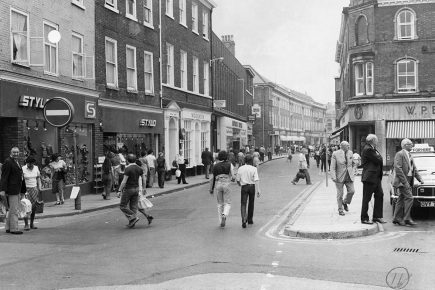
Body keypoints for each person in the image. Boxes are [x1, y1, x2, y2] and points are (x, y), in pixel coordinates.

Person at [392, 139, 423, 226]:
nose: (412, 145)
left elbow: (414, 169)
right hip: (402, 181)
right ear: (405, 145)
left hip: (409, 180)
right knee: (409, 198)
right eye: (410, 144)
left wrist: (420, 179)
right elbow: (398, 168)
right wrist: (405, 182)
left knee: (401, 199)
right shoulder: (400, 154)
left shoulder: (410, 155)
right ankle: (407, 218)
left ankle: (396, 218)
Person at [360, 134, 385, 224]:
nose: (377, 141)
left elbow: (379, 158)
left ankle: (377, 216)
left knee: (380, 195)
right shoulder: (368, 149)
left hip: (376, 177)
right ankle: (364, 218)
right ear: (373, 140)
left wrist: (379, 157)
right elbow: (379, 159)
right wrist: (380, 157)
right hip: (370, 178)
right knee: (366, 198)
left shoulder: (372, 148)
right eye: (376, 140)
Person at [1, 147, 26, 234]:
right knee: (14, 210)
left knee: (12, 209)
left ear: (19, 153)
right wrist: (2, 190)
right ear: (10, 153)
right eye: (14, 152)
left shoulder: (16, 162)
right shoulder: (8, 161)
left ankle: (8, 227)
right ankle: (14, 228)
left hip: (16, 189)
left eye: (17, 152)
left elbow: (20, 177)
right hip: (12, 190)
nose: (16, 154)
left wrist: (23, 189)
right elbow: (4, 176)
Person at [117, 154, 145, 228]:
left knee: (123, 206)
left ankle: (133, 217)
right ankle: (132, 222)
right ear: (135, 160)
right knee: (133, 207)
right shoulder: (139, 168)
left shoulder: (128, 169)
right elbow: (144, 178)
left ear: (127, 160)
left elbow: (124, 181)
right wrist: (144, 188)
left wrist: (119, 190)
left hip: (129, 189)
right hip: (136, 189)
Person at [330, 141, 356, 216]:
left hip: (349, 176)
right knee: (340, 194)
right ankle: (340, 209)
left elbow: (353, 163)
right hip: (339, 177)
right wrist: (333, 177)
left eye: (348, 145)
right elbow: (332, 167)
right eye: (347, 145)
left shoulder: (350, 153)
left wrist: (353, 170)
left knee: (352, 191)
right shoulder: (335, 154)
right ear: (342, 146)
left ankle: (345, 202)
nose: (348, 147)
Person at [209, 150, 235, 228]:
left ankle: (221, 221)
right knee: (228, 202)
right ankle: (224, 215)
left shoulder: (215, 165)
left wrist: (211, 189)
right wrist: (233, 179)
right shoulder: (229, 164)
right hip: (227, 183)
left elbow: (212, 178)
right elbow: (233, 176)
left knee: (220, 204)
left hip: (219, 184)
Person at [236, 154, 260, 228]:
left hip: (244, 187)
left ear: (245, 161)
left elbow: (237, 179)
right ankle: (250, 219)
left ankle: (243, 219)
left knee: (243, 203)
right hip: (252, 187)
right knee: (251, 203)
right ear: (251, 161)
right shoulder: (254, 169)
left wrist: (240, 184)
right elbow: (256, 179)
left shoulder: (240, 168)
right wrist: (258, 190)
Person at [22, 156, 42, 230]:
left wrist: (39, 186)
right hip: (26, 190)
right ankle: (26, 224)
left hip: (34, 189)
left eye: (32, 163)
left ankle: (32, 224)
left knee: (33, 207)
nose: (30, 165)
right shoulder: (23, 169)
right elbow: (21, 180)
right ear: (26, 163)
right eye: (29, 163)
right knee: (26, 207)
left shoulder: (36, 168)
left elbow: (38, 178)